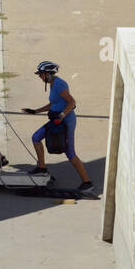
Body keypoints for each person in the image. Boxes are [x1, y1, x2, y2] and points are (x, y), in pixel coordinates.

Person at [21, 60, 91, 191]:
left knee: (70, 153)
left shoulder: (59, 84)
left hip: (66, 122)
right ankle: (42, 167)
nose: (40, 77)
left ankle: (87, 183)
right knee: (36, 138)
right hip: (56, 120)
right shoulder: (53, 84)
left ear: (48, 73)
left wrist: (62, 115)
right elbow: (53, 104)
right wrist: (35, 111)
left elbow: (72, 102)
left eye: (41, 74)